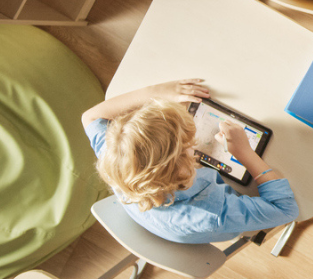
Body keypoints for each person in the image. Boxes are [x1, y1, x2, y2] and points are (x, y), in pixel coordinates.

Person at [82, 79, 299, 244]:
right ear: (184, 168)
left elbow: (90, 117)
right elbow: (286, 209)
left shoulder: (117, 155)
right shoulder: (212, 214)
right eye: (188, 146)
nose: (193, 143)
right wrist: (245, 154)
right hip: (222, 218)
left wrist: (156, 92)